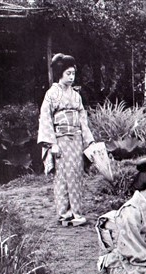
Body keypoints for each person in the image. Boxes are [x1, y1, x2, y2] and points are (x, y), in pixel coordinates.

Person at [38, 53, 94, 226]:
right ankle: (64, 214)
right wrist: (52, 143)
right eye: (68, 73)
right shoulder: (51, 94)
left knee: (76, 175)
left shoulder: (76, 96)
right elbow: (46, 118)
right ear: (60, 73)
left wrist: (88, 141)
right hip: (60, 140)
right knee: (61, 176)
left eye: (73, 74)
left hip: (76, 139)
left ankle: (77, 213)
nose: (71, 77)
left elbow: (82, 119)